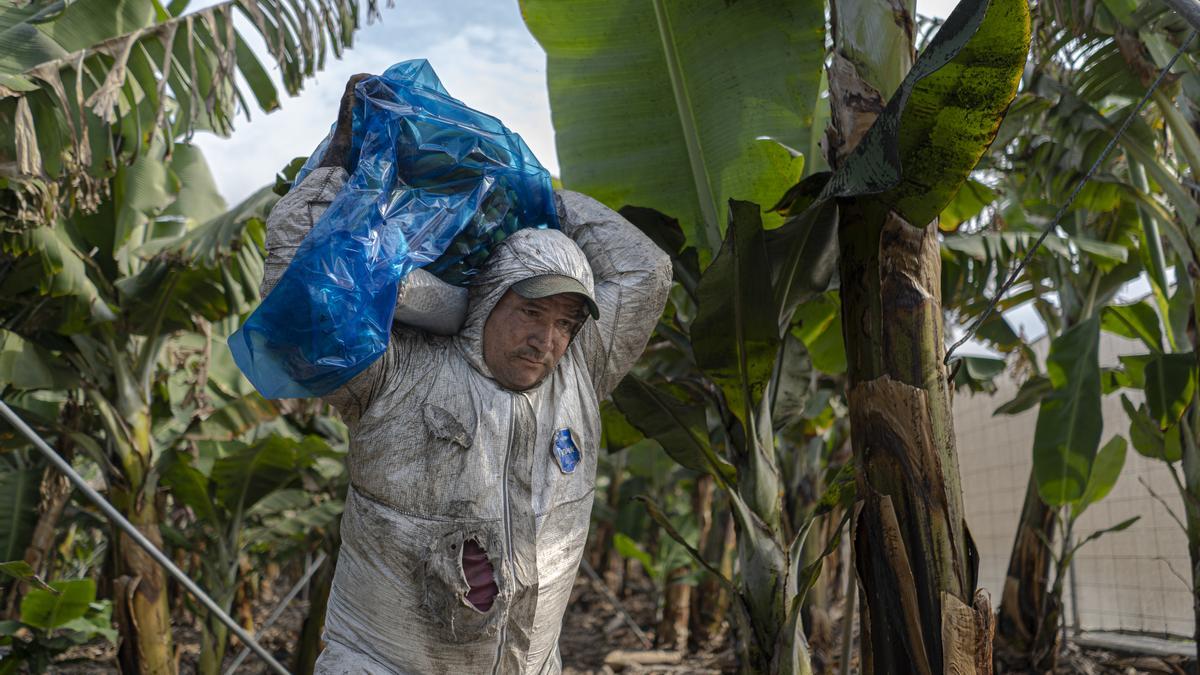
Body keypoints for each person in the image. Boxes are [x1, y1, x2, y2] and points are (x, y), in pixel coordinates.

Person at [260, 75, 672, 673]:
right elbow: (304, 280)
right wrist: (340, 160)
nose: (546, 339)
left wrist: (533, 195)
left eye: (564, 323)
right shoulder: (395, 372)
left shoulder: (578, 375)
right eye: (530, 312)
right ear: (487, 300)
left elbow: (647, 270)